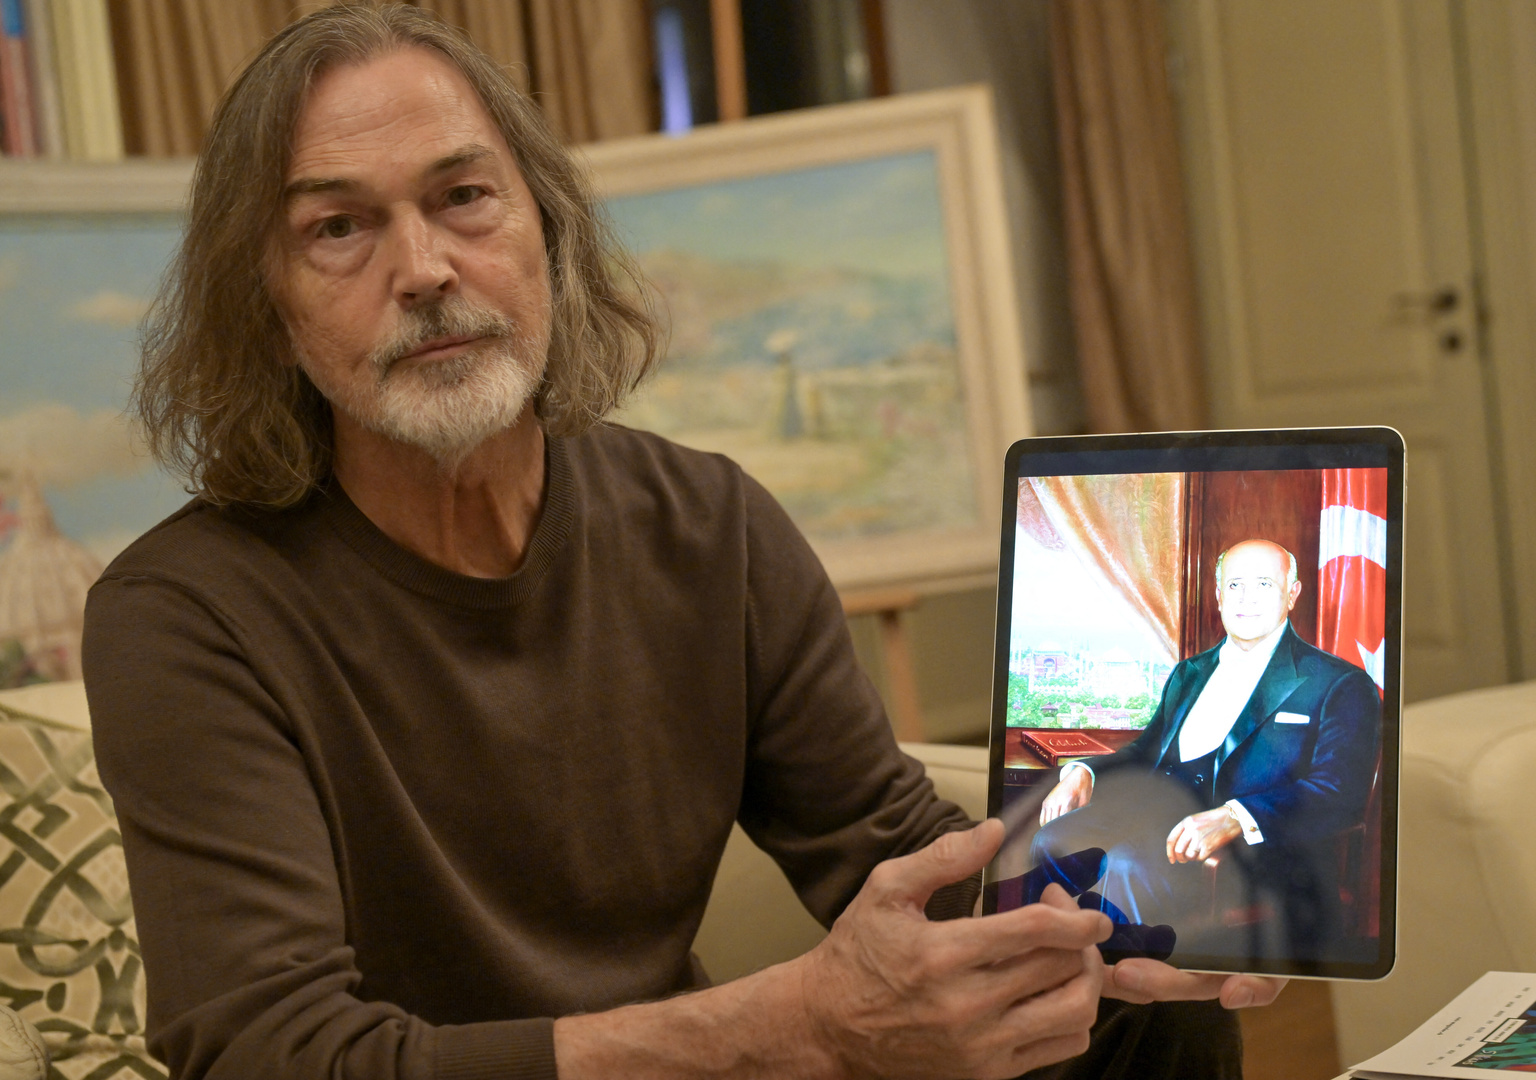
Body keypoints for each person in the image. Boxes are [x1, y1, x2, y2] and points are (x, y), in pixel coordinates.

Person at [79, 6, 1280, 1078]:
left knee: (1133, 1013)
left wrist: (1132, 908)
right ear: (269, 304)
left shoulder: (709, 524)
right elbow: (269, 1053)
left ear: (548, 230)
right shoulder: (185, 614)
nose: (425, 269)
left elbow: (891, 852)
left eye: (463, 197)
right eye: (339, 227)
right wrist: (798, 1026)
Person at [1029, 539, 1382, 958]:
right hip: (1157, 822)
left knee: (1127, 864)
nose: (1247, 598)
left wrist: (1236, 817)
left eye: (1264, 584)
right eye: (1235, 585)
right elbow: (1143, 753)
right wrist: (1082, 772)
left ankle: (1120, 983)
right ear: (1218, 596)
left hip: (1262, 856)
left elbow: (1339, 793)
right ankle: (1050, 962)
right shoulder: (1189, 673)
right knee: (1054, 839)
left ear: (1292, 594)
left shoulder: (1341, 684)